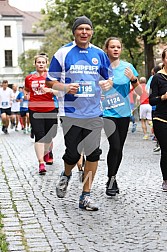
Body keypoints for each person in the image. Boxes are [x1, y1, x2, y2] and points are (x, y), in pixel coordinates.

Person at [46, 16, 113, 211]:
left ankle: (86, 195)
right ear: (74, 32)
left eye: (88, 29)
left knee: (93, 154)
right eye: (80, 29)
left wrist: (107, 84)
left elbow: (108, 79)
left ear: (92, 32)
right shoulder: (63, 53)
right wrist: (66, 87)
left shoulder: (100, 54)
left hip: (94, 112)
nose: (84, 32)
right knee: (73, 153)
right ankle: (66, 175)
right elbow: (49, 82)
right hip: (71, 112)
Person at [102, 37, 142, 197]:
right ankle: (111, 180)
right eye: (112, 47)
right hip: (107, 113)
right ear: (107, 49)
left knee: (119, 148)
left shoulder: (128, 67)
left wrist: (133, 79)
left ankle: (113, 177)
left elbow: (140, 93)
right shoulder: (101, 67)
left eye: (118, 47)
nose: (116, 49)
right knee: (115, 146)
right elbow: (93, 89)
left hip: (124, 113)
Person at [25, 54, 58, 174]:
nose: (40, 64)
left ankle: (47, 152)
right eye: (38, 62)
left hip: (49, 109)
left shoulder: (51, 78)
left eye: (43, 62)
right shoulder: (29, 78)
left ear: (46, 64)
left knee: (50, 135)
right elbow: (27, 89)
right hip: (35, 109)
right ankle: (41, 163)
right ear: (35, 64)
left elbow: (58, 91)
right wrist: (26, 94)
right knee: (39, 135)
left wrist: (50, 90)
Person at [149, 47, 167, 191]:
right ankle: (165, 180)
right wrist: (162, 97)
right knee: (166, 150)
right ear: (163, 60)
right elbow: (151, 100)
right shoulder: (157, 78)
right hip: (161, 119)